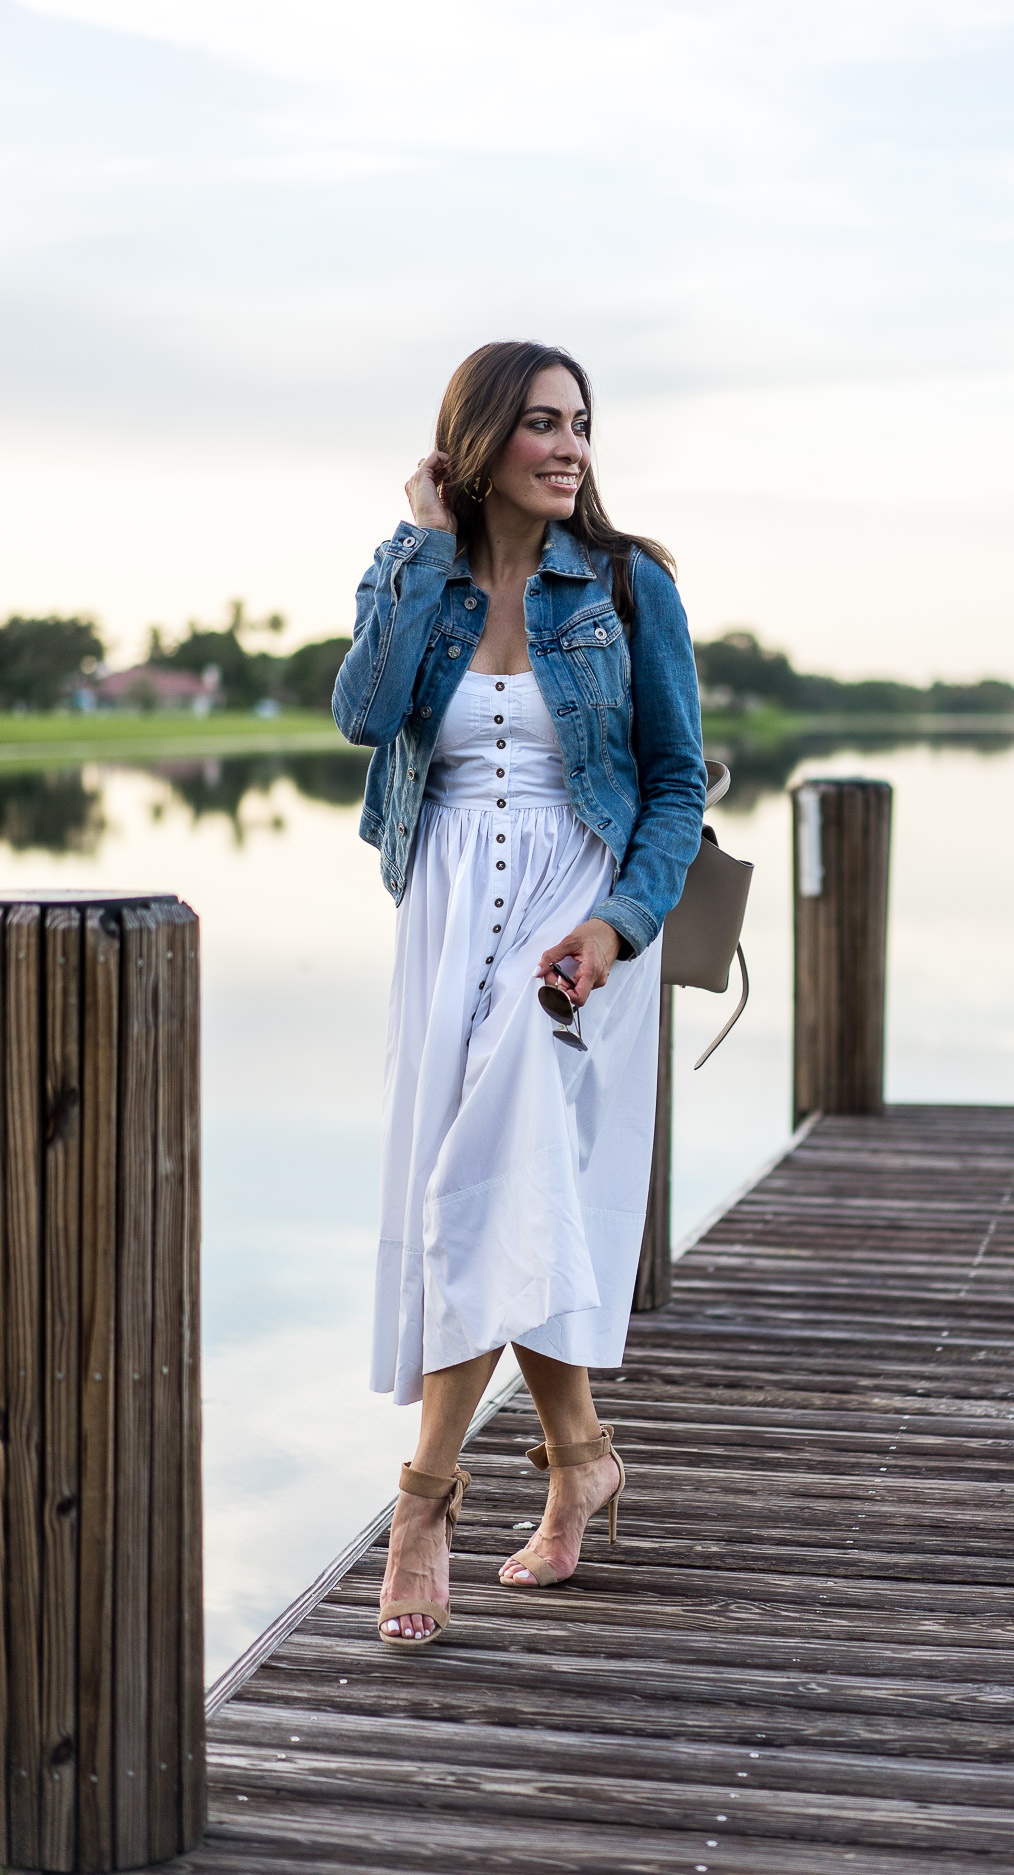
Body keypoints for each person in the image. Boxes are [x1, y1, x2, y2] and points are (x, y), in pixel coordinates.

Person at [332, 340, 706, 1647]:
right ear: (478, 440)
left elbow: (677, 786)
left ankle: (422, 1502)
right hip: (444, 911)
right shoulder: (423, 582)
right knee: (498, 1186)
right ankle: (579, 1456)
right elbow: (361, 711)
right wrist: (414, 538)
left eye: (581, 426)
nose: (569, 448)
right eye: (541, 424)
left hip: (576, 913)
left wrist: (617, 924)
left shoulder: (624, 584)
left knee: (491, 1168)